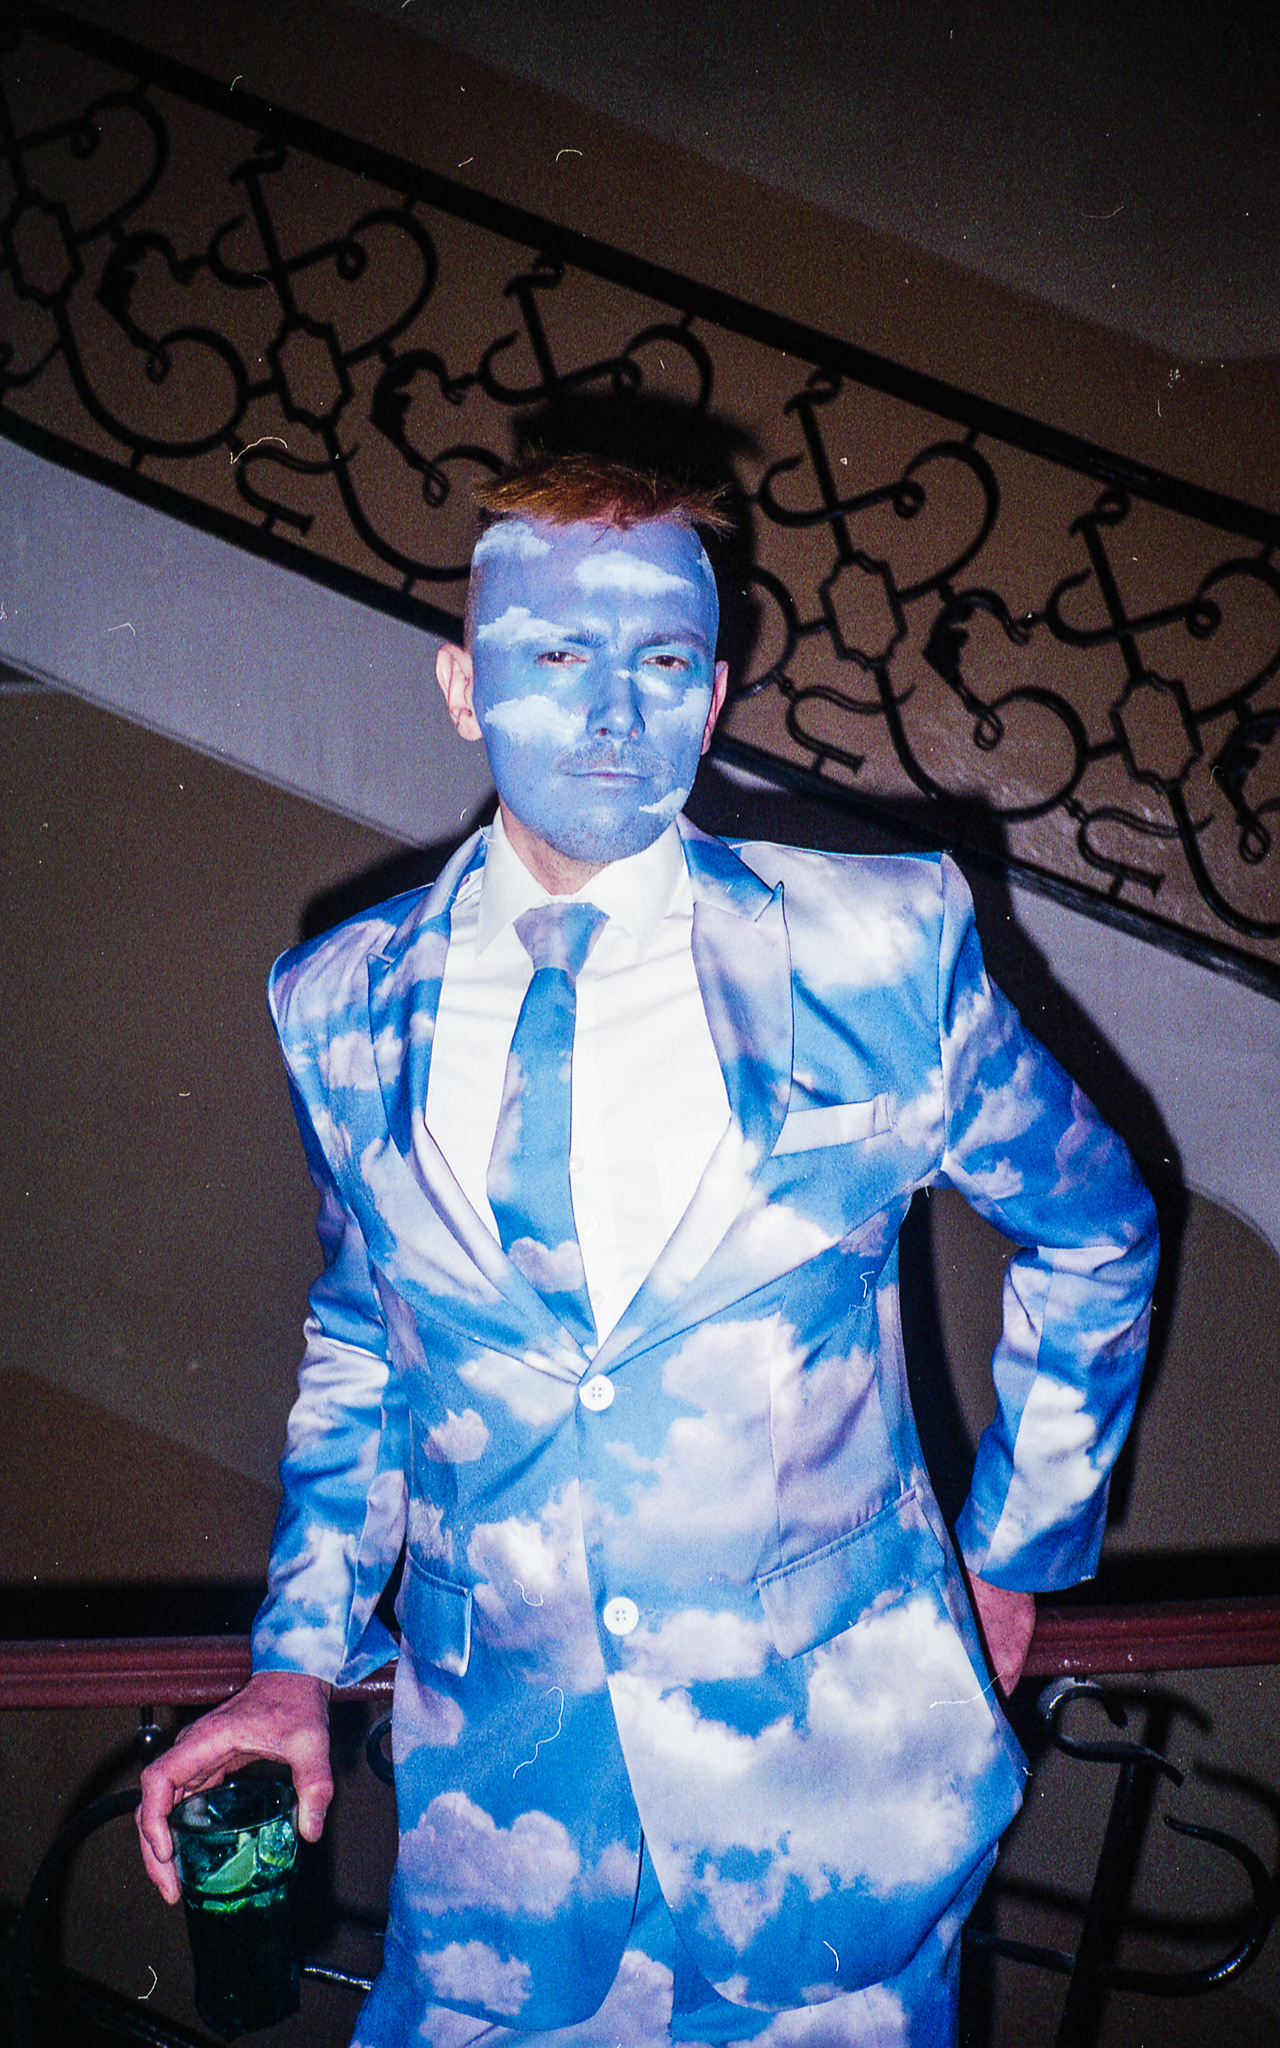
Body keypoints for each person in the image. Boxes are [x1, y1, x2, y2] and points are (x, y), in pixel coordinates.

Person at [138, 454, 1158, 2047]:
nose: (617, 709)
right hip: (503, 1850)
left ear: (716, 693)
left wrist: (1018, 1553)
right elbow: (363, 1347)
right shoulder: (337, 1005)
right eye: (559, 653)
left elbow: (1094, 1229)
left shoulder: (878, 946)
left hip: (835, 1831)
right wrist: (294, 1659)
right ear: (462, 689)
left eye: (666, 659)